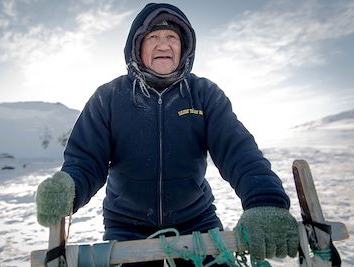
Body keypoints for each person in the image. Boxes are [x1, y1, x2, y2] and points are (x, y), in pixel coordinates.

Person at [35, 3, 298, 266]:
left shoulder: (204, 93)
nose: (163, 44)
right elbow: (86, 160)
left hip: (197, 221)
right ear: (137, 46)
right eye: (153, 37)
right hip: (127, 227)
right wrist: (70, 186)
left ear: (184, 48)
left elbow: (239, 151)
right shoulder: (109, 97)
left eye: (171, 37)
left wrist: (265, 200)